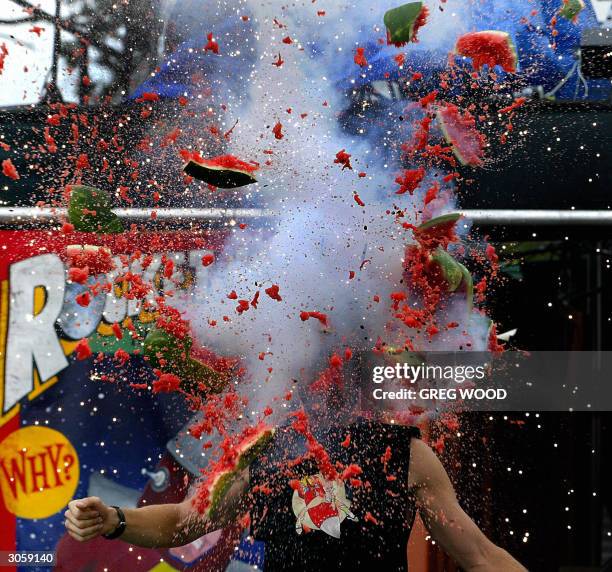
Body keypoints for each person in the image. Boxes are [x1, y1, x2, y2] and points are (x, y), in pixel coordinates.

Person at [64, 415, 526, 571]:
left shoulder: (403, 452)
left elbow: (481, 557)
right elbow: (186, 521)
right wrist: (114, 520)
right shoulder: (262, 451)